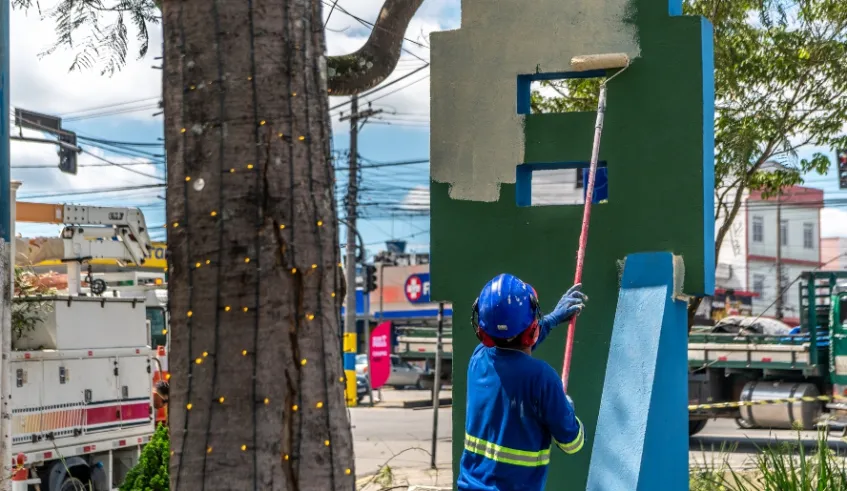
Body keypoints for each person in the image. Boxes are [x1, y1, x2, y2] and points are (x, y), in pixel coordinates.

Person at [457, 273, 587, 491]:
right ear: (531, 329)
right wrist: (567, 409)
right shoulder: (542, 378)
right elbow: (573, 444)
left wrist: (553, 319)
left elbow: (511, 353)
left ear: (483, 331)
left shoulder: (478, 358)